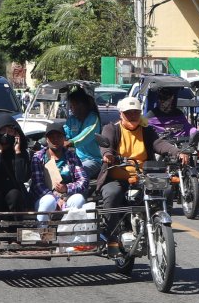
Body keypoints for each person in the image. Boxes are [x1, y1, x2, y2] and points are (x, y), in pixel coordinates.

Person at [97, 96, 181, 237]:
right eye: (128, 113)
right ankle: (110, 234)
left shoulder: (147, 130)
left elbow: (159, 144)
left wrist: (177, 152)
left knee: (166, 190)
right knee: (112, 194)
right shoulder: (112, 129)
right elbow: (106, 145)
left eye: (135, 112)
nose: (132, 116)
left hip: (144, 177)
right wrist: (107, 154)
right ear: (121, 114)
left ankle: (160, 227)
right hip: (118, 179)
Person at [30, 121, 89, 224]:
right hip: (45, 198)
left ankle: (68, 234)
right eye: (51, 137)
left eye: (58, 136)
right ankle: (43, 235)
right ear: (47, 140)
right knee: (49, 201)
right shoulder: (38, 157)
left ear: (64, 139)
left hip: (67, 196)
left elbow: (83, 181)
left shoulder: (72, 156)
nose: (55, 140)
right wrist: (56, 198)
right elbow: (38, 185)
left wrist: (66, 188)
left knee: (79, 199)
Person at [63, 88, 102, 178]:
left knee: (74, 173)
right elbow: (65, 134)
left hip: (92, 160)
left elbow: (86, 134)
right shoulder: (72, 120)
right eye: (71, 105)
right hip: (75, 159)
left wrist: (71, 142)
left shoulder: (93, 118)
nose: (71, 108)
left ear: (82, 105)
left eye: (73, 105)